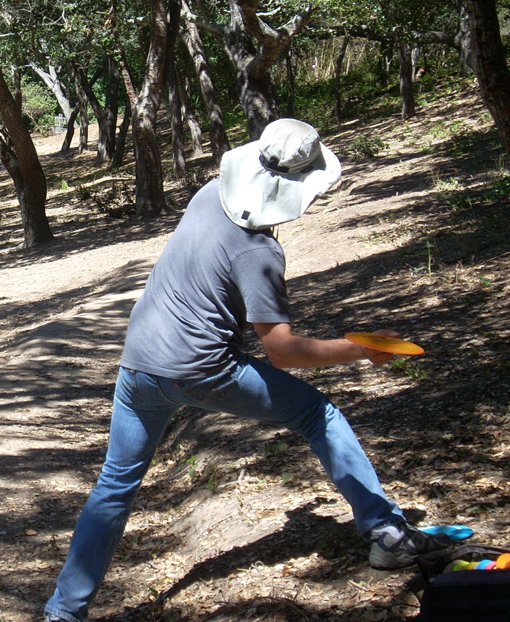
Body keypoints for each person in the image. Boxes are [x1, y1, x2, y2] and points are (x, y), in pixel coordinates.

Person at [43, 118, 453, 622]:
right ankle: (388, 534)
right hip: (200, 369)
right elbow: (282, 351)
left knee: (114, 484)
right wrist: (359, 349)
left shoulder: (208, 195)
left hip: (139, 363)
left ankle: (64, 612)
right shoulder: (259, 253)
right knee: (318, 415)